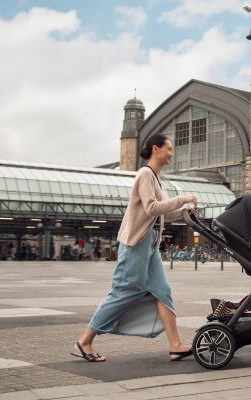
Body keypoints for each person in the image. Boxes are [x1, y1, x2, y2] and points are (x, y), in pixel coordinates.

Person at [72, 133, 198, 363]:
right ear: (155, 149)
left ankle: (176, 345)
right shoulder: (145, 174)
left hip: (150, 244)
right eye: (168, 148)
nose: (171, 153)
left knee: (163, 292)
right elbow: (151, 208)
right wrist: (182, 199)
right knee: (124, 291)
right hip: (136, 244)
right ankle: (85, 340)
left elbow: (162, 213)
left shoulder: (157, 178)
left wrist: (182, 212)